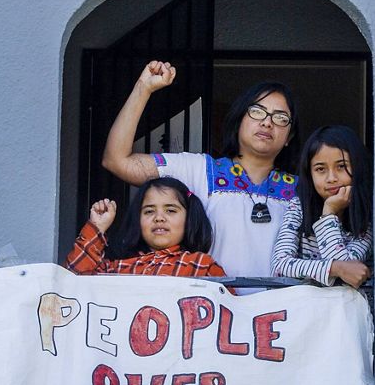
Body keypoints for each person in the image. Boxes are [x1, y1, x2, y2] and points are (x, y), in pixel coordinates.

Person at [102, 60, 300, 278]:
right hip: (213, 309)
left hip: (281, 310)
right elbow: (117, 160)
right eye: (257, 112)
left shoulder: (302, 189)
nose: (267, 123)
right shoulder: (201, 169)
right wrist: (144, 88)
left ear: (289, 137)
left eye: (281, 118)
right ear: (239, 120)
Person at [272, 126, 373, 288]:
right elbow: (279, 266)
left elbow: (349, 273)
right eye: (320, 169)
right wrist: (335, 268)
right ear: (309, 174)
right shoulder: (299, 207)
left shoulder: (367, 217)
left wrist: (328, 214)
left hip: (347, 309)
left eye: (341, 166)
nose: (331, 178)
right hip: (304, 308)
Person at [66, 177, 224, 277]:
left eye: (170, 210)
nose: (159, 218)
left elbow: (230, 318)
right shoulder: (116, 269)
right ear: (138, 220)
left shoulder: (202, 266)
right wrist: (97, 226)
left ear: (189, 218)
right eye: (149, 211)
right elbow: (74, 280)